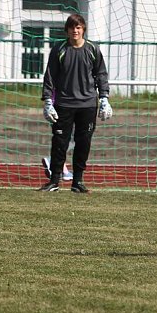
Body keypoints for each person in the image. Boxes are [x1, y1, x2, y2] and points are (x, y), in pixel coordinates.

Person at [39, 13, 112, 193]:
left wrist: (104, 98)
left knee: (83, 143)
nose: (75, 31)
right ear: (67, 30)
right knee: (59, 143)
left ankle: (77, 181)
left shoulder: (93, 50)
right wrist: (48, 100)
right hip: (63, 104)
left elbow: (101, 74)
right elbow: (50, 76)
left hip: (87, 105)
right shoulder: (59, 49)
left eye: (78, 27)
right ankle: (54, 181)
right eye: (72, 28)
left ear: (83, 29)